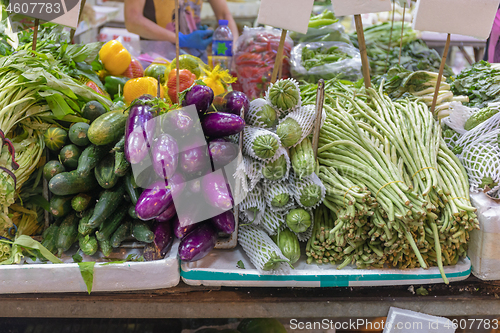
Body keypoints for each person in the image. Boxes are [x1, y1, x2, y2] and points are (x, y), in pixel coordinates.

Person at [124, 0, 239, 60]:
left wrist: (234, 49)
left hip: (196, 61)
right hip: (157, 62)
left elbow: (224, 15)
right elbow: (133, 20)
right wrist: (180, 39)